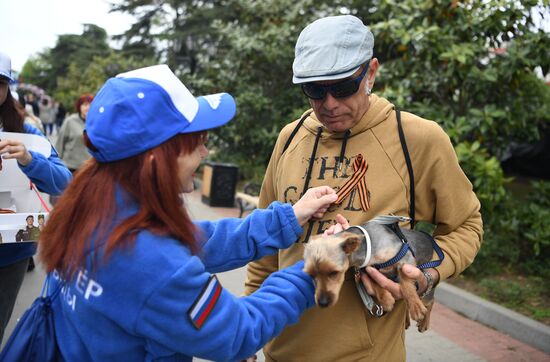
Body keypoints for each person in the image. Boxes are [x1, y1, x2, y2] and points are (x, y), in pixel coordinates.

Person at [39, 64, 338, 361]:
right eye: (197, 142)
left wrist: (288, 216)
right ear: (156, 159)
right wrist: (312, 267)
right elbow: (236, 332)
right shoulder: (147, 262)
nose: (204, 153)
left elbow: (198, 241)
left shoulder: (96, 207)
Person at [244, 15, 483, 361]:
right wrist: (248, 334)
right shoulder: (290, 138)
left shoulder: (416, 139)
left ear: (370, 73)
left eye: (342, 87)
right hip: (280, 351)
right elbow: (264, 247)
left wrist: (427, 275)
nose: (328, 103)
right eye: (314, 89)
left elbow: (466, 225)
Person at [0, 51, 72, 344]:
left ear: (7, 89)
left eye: (0, 83)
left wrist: (30, 159)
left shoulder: (25, 133)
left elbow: (63, 182)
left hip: (11, 252)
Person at [55, 93, 93, 173]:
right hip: (71, 167)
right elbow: (60, 143)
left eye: (91, 105)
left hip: (90, 167)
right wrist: (56, 163)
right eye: (85, 105)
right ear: (79, 106)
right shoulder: (70, 121)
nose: (88, 108)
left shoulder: (98, 122)